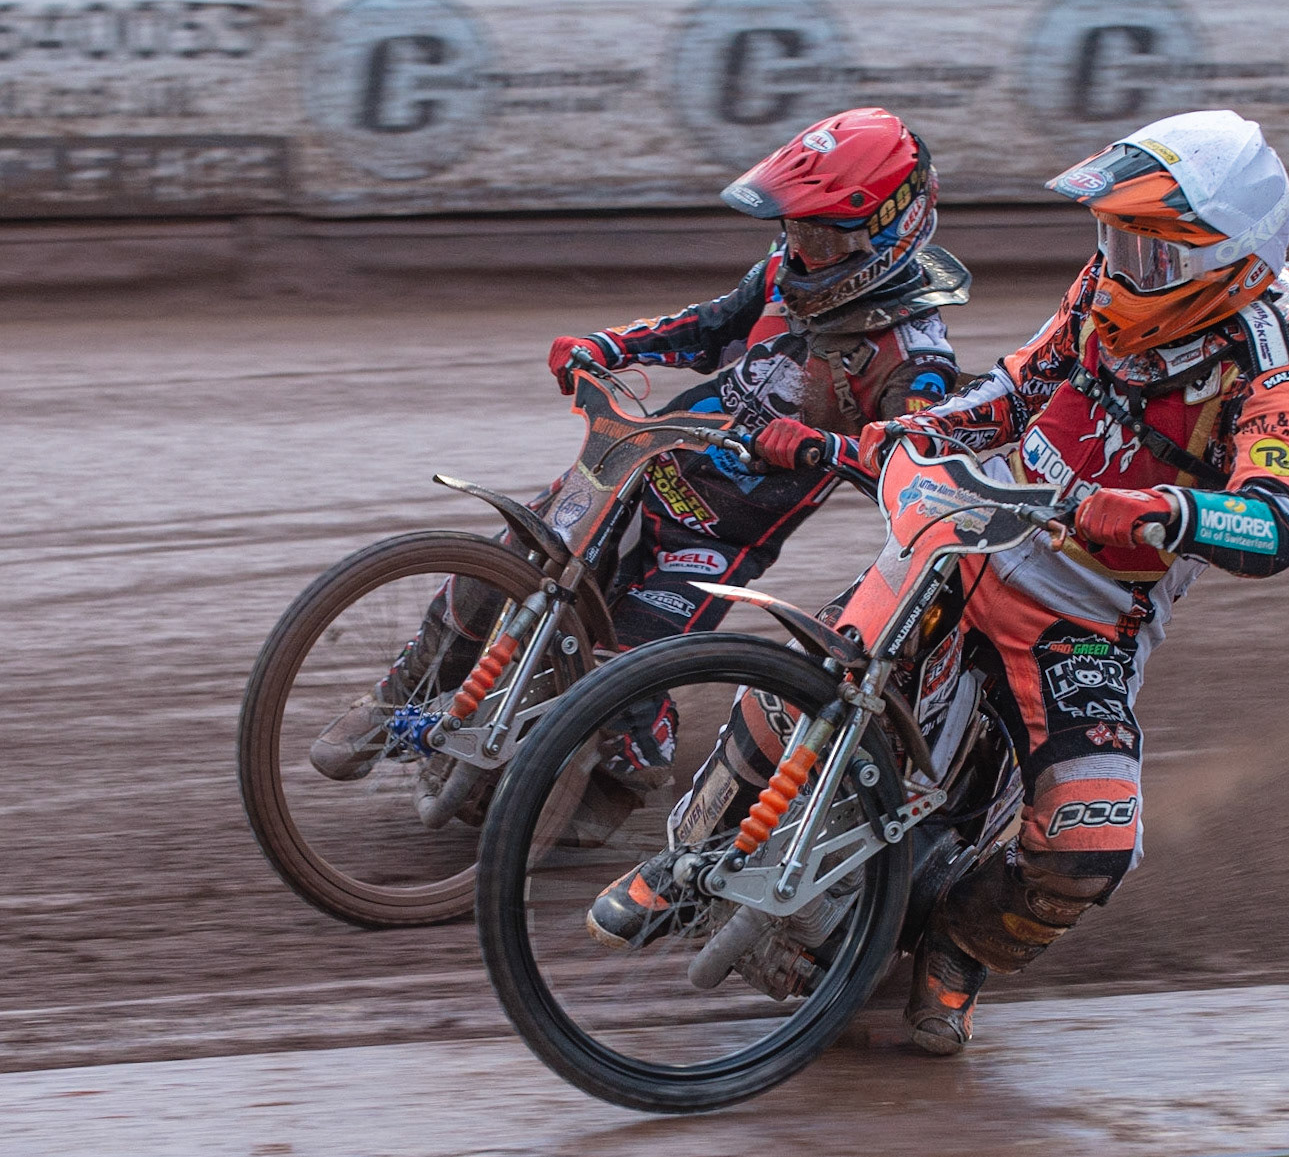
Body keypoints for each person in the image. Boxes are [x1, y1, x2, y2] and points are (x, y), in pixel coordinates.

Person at [309, 108, 970, 802]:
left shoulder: (916, 358)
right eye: (794, 228)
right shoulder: (784, 272)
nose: (802, 249)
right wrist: (609, 345)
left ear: (890, 230)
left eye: (822, 236)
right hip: (638, 467)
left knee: (625, 672)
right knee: (504, 565)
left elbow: (912, 467)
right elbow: (707, 328)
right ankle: (394, 699)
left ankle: (621, 780)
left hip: (718, 537)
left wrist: (824, 445)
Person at [841, 109, 1289, 1052]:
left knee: (1091, 841)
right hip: (979, 529)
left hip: (1086, 617)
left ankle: (958, 949)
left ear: (1227, 264)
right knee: (824, 663)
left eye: (1150, 251)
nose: (1120, 265)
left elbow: (1277, 522)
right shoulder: (1102, 290)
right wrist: (916, 434)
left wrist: (1163, 513)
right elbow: (1017, 388)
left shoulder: (1273, 380)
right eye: (1115, 237)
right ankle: (690, 845)